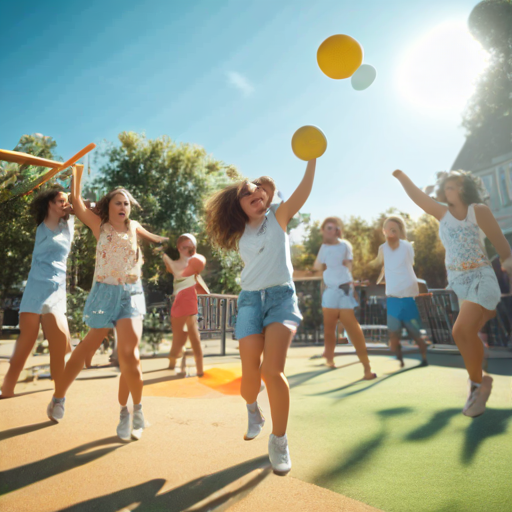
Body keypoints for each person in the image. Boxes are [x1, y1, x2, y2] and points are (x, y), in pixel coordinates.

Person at [205, 160, 316, 475]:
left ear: (267, 197)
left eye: (259, 190)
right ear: (238, 205)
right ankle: (253, 410)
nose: (255, 194)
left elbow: (302, 193)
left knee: (272, 370)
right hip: (250, 302)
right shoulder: (240, 232)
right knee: (250, 378)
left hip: (282, 299)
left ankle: (279, 440)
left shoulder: (279, 217)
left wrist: (312, 159)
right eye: (247, 193)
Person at [50, 164, 167, 440]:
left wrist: (168, 242)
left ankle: (132, 411)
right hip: (104, 293)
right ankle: (58, 397)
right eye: (118, 202)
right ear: (109, 206)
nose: (123, 206)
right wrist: (76, 172)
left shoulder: (134, 226)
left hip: (131, 295)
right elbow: (77, 202)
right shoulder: (99, 225)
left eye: (126, 203)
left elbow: (155, 239)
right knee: (88, 346)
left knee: (129, 354)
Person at [393, 169, 512, 417]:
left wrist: (508, 263)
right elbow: (419, 198)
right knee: (468, 336)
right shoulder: (442, 213)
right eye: (445, 187)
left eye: (453, 186)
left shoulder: (478, 210)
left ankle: (478, 385)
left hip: (480, 277)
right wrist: (402, 177)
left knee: (460, 331)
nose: (448, 190)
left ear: (464, 188)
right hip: (458, 281)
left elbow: (503, 247)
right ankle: (480, 382)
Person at [1, 187, 74, 404]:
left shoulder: (68, 224)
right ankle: (7, 388)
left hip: (55, 291)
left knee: (59, 342)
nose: (64, 204)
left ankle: (59, 394)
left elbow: (79, 203)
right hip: (34, 289)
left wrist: (75, 175)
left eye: (66, 201)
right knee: (26, 343)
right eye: (60, 200)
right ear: (49, 203)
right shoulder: (41, 227)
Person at [313, 217, 376, 378]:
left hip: (344, 291)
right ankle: (329, 359)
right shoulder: (323, 248)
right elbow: (317, 267)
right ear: (323, 230)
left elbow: (349, 266)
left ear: (338, 230)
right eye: (327, 228)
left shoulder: (345, 245)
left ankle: (366, 368)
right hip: (329, 292)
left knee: (353, 328)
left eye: (333, 228)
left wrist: (351, 286)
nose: (330, 230)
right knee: (329, 330)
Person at [374, 215, 428, 367]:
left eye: (394, 230)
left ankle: (424, 355)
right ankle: (400, 359)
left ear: (400, 232)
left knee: (414, 331)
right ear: (383, 231)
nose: (391, 233)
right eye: (388, 230)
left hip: (407, 295)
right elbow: (385, 266)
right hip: (392, 296)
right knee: (393, 333)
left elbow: (409, 264)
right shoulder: (382, 249)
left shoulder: (406, 246)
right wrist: (379, 280)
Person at [162, 233, 208, 376]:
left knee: (194, 337)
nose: (187, 250)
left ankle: (200, 370)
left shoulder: (196, 262)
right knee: (179, 338)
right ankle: (172, 363)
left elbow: (199, 262)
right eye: (184, 247)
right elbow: (172, 266)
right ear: (178, 248)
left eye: (191, 248)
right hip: (179, 302)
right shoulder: (174, 264)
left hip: (190, 301)